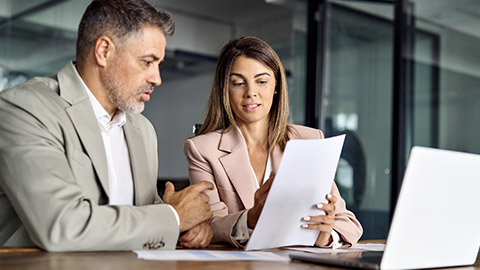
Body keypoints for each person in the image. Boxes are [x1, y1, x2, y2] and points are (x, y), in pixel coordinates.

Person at [0, 0, 213, 251]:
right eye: (147, 62)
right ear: (103, 51)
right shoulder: (23, 108)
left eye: (159, 64)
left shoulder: (143, 130)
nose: (157, 78)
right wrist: (173, 218)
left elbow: (145, 216)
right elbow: (62, 226)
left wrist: (187, 227)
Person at [184, 36, 363, 248]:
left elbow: (349, 224)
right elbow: (208, 224)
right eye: (239, 83)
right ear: (225, 90)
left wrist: (326, 234)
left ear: (276, 86)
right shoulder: (203, 149)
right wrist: (248, 219)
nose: (251, 92)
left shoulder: (308, 140)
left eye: (261, 81)